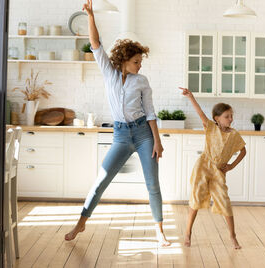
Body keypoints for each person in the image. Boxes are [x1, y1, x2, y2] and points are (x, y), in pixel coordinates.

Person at [64, 0, 171, 247]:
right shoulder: (109, 73)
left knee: (152, 183)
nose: (140, 65)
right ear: (124, 60)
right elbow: (96, 45)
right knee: (101, 179)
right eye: (136, 61)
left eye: (140, 61)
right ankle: (81, 222)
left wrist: (157, 141)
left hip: (144, 134)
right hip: (121, 136)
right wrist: (90, 15)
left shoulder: (142, 81)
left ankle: (159, 231)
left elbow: (151, 113)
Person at [179, 87, 247, 249]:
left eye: (231, 116)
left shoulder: (234, 135)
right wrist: (191, 97)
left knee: (224, 201)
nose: (230, 119)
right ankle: (188, 233)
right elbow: (200, 113)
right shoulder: (210, 128)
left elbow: (243, 151)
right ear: (217, 118)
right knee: (195, 199)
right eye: (227, 116)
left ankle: (233, 236)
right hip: (203, 168)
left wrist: (231, 166)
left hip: (218, 172)